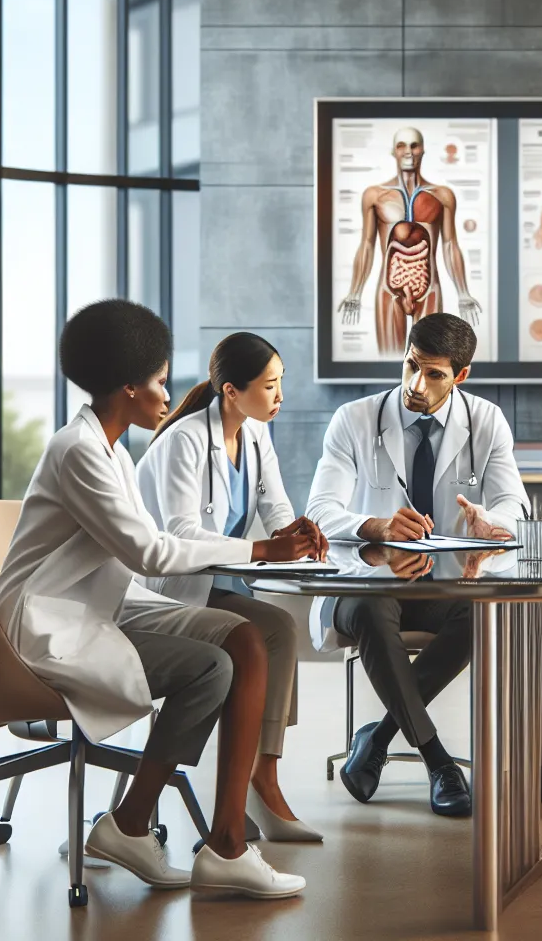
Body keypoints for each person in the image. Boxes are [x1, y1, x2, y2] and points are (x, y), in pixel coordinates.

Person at [0, 300, 303, 899]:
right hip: (49, 625)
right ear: (129, 387)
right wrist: (261, 552)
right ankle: (151, 827)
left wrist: (268, 547)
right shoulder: (80, 451)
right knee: (213, 665)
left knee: (244, 636)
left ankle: (220, 841)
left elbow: (139, 557)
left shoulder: (112, 450)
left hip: (96, 605)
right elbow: (152, 553)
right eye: (159, 381)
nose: (169, 394)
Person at [306, 313, 541, 817]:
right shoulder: (355, 418)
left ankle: (380, 736)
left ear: (461, 375)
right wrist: (376, 528)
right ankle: (439, 761)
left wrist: (489, 522)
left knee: (486, 616)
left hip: (446, 587)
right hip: (368, 585)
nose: (417, 384)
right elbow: (321, 510)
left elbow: (516, 508)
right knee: (372, 611)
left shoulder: (486, 420)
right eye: (412, 365)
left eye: (434, 374)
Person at [136, 332, 329, 842]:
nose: (280, 396)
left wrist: (297, 533)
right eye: (269, 386)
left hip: (212, 584)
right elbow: (179, 534)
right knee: (255, 637)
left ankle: (264, 778)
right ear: (230, 391)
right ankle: (225, 804)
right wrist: (266, 550)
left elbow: (275, 509)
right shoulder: (184, 441)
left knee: (281, 630)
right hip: (163, 590)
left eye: (280, 383)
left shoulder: (255, 433)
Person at [336, 126, 481, 355]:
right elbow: (367, 244)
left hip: (429, 289)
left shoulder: (442, 196)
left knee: (429, 358)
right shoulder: (375, 195)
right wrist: (355, 292)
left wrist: (463, 293)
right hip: (388, 289)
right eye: (401, 146)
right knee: (389, 359)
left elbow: (450, 244)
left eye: (414, 145)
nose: (408, 152)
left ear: (423, 150)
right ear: (393, 151)